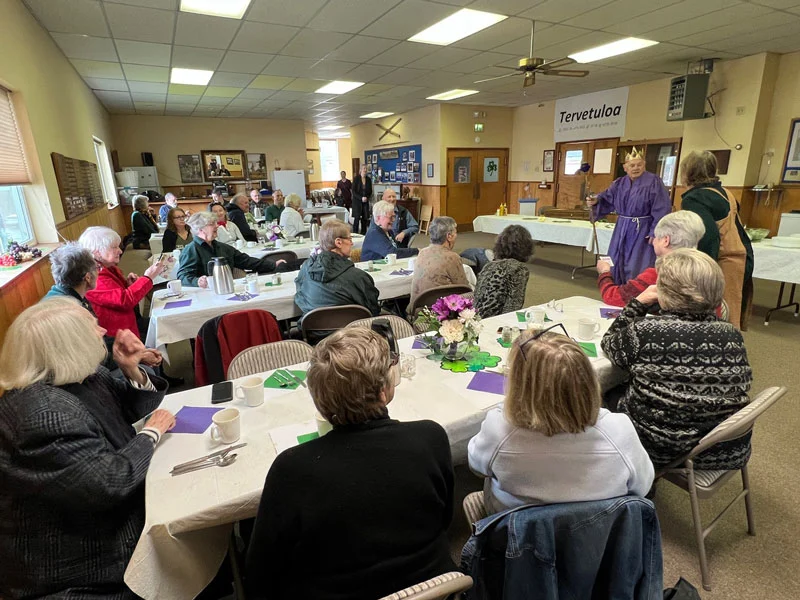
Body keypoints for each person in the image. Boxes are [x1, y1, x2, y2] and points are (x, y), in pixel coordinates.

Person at [245, 328, 455, 600]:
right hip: (433, 586)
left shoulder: (292, 468)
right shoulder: (430, 437)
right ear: (385, 391)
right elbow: (445, 518)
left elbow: (261, 574)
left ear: (320, 404)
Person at [0, 298, 175, 600]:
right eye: (93, 327)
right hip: (84, 565)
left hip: (103, 518)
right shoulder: (42, 414)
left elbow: (133, 407)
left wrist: (131, 370)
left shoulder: (81, 377)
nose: (103, 330)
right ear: (69, 346)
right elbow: (110, 482)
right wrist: (151, 433)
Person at [469, 330, 653, 514]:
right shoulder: (620, 430)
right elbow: (642, 487)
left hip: (519, 533)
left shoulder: (500, 428)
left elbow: (476, 465)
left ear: (520, 386)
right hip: (598, 534)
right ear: (588, 380)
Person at [601, 249, 753, 470]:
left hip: (666, 451)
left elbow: (609, 345)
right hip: (728, 448)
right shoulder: (731, 334)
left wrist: (638, 303)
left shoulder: (647, 331)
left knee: (606, 389)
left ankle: (626, 472)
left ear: (665, 292)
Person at [42, 244, 162, 373]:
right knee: (146, 371)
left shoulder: (73, 296)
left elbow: (100, 340)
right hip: (78, 372)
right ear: (88, 277)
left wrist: (137, 351)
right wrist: (138, 356)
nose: (100, 271)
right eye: (97, 268)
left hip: (88, 360)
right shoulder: (69, 310)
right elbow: (92, 357)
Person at [680, 150, 754, 330]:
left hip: (723, 261)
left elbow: (708, 236)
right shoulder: (724, 192)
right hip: (740, 257)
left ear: (687, 172)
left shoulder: (695, 198)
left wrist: (701, 271)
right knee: (730, 312)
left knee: (718, 316)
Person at [587, 147, 672, 284]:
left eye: (639, 165)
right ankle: (616, 290)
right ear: (625, 167)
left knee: (637, 263)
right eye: (632, 165)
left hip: (643, 230)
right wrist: (597, 200)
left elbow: (662, 208)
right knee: (616, 259)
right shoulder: (619, 183)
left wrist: (655, 231)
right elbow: (607, 197)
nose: (636, 168)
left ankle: (636, 291)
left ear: (644, 165)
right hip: (622, 228)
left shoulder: (654, 182)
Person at [597, 210, 705, 307]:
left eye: (656, 237)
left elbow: (614, 297)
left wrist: (604, 272)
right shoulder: (706, 271)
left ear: (666, 240)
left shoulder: (658, 274)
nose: (653, 241)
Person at [80, 226, 167, 338]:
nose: (120, 251)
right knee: (161, 329)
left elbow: (118, 295)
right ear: (97, 252)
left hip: (128, 322)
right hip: (117, 334)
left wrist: (129, 285)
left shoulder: (108, 267)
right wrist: (148, 277)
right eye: (114, 247)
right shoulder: (94, 276)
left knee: (162, 325)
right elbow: (124, 301)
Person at [177, 212, 288, 288]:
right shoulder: (191, 250)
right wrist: (197, 281)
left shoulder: (222, 247)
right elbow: (182, 277)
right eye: (212, 224)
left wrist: (273, 265)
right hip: (204, 294)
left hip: (227, 289)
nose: (217, 226)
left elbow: (246, 261)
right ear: (200, 229)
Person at [295, 220, 380, 316]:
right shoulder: (358, 277)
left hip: (314, 329)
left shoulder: (306, 267)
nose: (352, 243)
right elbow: (373, 310)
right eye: (349, 239)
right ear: (339, 242)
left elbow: (300, 297)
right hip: (352, 329)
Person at [474, 225, 533, 318]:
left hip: (476, 320)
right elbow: (513, 306)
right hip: (494, 322)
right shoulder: (518, 269)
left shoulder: (489, 265)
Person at [411, 216, 468, 304]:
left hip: (418, 308)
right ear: (449, 236)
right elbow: (464, 289)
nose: (456, 236)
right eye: (456, 233)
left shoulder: (422, 253)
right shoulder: (452, 257)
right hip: (442, 310)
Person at [352, 164, 372, 234]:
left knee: (365, 219)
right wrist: (361, 198)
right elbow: (353, 191)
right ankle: (355, 234)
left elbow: (370, 191)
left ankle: (363, 234)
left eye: (366, 169)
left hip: (365, 202)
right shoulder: (356, 179)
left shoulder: (368, 179)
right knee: (357, 219)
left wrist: (367, 197)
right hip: (357, 202)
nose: (365, 170)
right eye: (364, 168)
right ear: (360, 170)